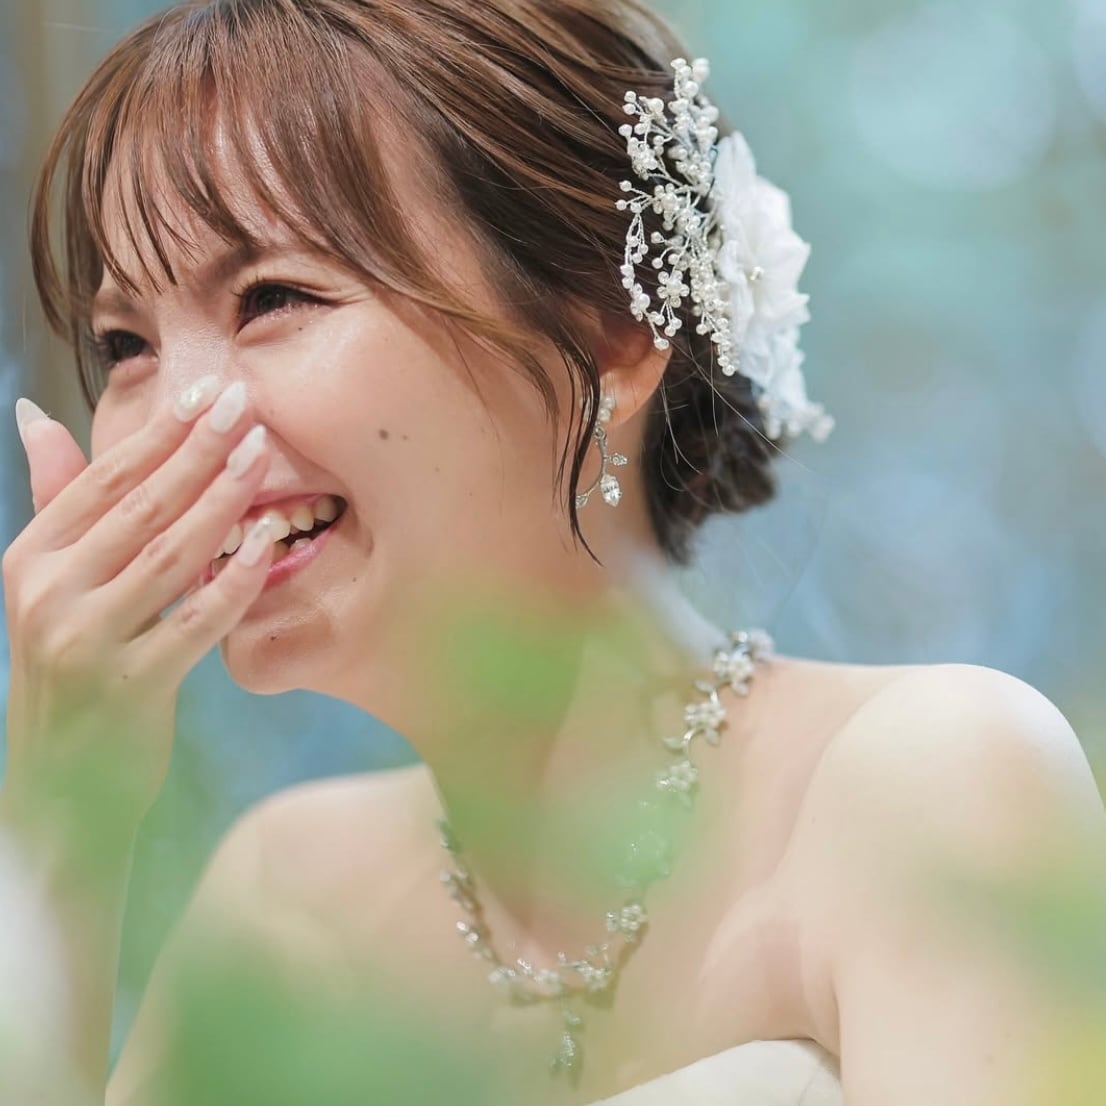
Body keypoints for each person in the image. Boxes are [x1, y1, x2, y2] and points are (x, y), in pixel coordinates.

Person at [3, 0, 1105, 1104]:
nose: (173, 420)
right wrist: (64, 817)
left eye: (273, 296)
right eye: (125, 344)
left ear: (610, 335)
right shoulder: (279, 902)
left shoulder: (928, 783)